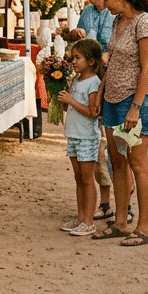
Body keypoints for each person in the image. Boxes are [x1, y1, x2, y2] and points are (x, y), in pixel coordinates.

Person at [91, 0, 148, 246]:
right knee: (117, 162)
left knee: (137, 163)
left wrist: (135, 108)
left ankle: (143, 228)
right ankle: (120, 222)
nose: (104, 4)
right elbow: (115, 61)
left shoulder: (145, 23)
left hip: (135, 103)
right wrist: (101, 91)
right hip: (112, 101)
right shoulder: (118, 20)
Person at [56, 39, 104, 237]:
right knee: (78, 178)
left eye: (78, 58)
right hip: (74, 134)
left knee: (87, 179)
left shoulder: (93, 83)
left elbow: (93, 112)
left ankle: (89, 221)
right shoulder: (76, 80)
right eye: (72, 57)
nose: (73, 62)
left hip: (86, 137)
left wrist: (70, 101)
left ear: (91, 61)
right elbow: (73, 106)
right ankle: (81, 217)